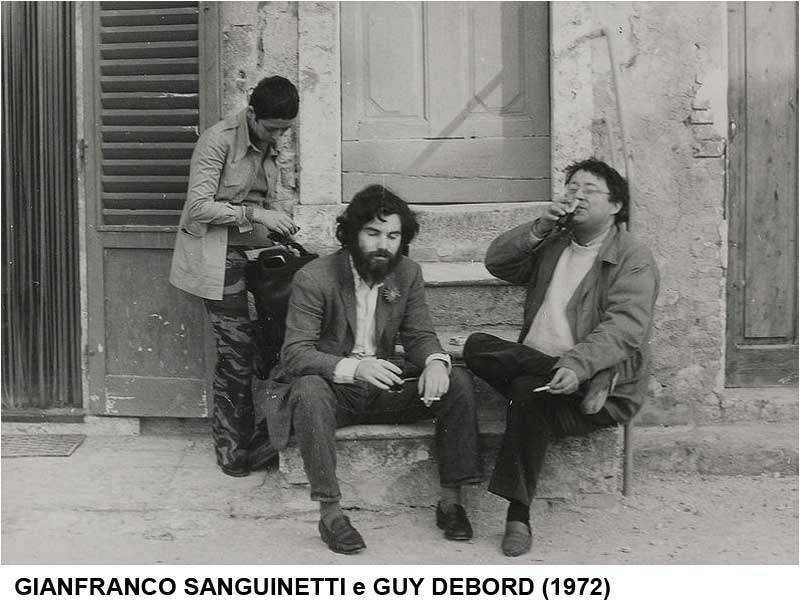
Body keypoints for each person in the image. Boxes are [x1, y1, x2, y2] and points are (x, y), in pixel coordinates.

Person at [259, 185, 483, 554]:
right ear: (350, 234)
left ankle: (451, 502)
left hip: (383, 387)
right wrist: (356, 368)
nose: (383, 245)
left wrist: (435, 362)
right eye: (373, 233)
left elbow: (420, 335)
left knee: (456, 378)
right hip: (334, 392)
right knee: (308, 389)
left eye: (393, 236)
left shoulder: (406, 273)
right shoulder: (315, 277)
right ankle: (331, 514)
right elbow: (295, 354)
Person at [463, 158, 659, 557]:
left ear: (616, 205)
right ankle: (576, 381)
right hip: (548, 369)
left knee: (525, 392)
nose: (577, 196)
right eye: (571, 189)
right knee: (476, 346)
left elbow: (626, 327)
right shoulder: (554, 242)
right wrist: (538, 228)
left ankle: (518, 516)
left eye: (589, 190)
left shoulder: (633, 257)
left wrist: (577, 365)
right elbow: (497, 263)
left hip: (594, 379)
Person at [169, 76, 300, 477]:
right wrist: (257, 215)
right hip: (216, 257)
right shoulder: (217, 141)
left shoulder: (271, 140)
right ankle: (231, 447)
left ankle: (264, 437)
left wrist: (279, 228)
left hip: (257, 253)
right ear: (252, 114)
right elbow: (198, 207)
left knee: (279, 341)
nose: (278, 137)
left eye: (285, 130)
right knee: (237, 352)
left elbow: (263, 197)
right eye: (272, 128)